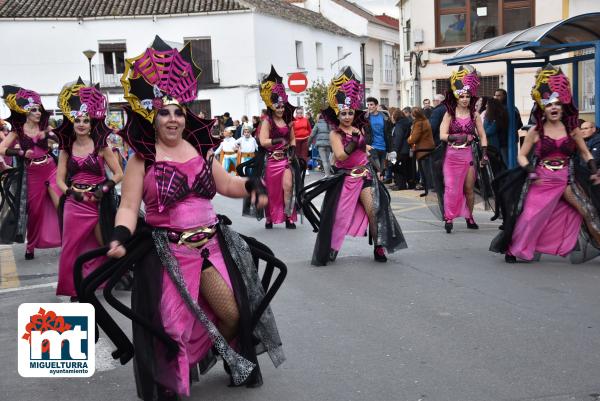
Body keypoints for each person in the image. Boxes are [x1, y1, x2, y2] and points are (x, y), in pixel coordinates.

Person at [104, 36, 284, 399]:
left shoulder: (200, 150)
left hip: (211, 248)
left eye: (178, 111)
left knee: (234, 315)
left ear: (185, 113)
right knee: (172, 327)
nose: (172, 119)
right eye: (164, 112)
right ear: (152, 117)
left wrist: (251, 184)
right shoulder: (142, 159)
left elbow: (227, 183)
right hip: (168, 255)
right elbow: (128, 205)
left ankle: (212, 352)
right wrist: (120, 235)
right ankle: (175, 377)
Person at [490, 64, 600, 264]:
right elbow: (522, 156)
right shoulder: (536, 131)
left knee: (588, 211)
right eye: (549, 104)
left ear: (563, 105)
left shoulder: (572, 129)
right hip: (541, 180)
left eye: (557, 103)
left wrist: (593, 169)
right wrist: (530, 169)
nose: (554, 107)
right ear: (543, 107)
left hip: (567, 180)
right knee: (530, 218)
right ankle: (515, 249)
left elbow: (584, 152)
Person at [299, 66, 407, 265]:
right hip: (345, 179)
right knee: (339, 217)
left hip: (365, 176)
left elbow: (364, 149)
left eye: (350, 112)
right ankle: (332, 248)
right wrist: (354, 142)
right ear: (337, 115)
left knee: (374, 210)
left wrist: (373, 158)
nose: (347, 116)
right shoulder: (334, 134)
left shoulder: (359, 129)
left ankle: (379, 247)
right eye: (343, 113)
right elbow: (339, 155)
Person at [53, 79, 123, 300]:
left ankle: (107, 277)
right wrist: (69, 193)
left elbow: (120, 173)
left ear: (91, 124)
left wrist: (105, 188)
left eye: (85, 120)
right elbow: (59, 180)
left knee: (104, 243)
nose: (81, 124)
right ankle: (73, 287)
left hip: (98, 202)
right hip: (75, 203)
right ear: (72, 124)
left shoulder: (102, 148)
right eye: (77, 120)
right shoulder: (66, 149)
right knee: (71, 246)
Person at [0, 86, 62, 258]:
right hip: (33, 173)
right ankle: (31, 246)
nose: (38, 113)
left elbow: (62, 141)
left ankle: (69, 240)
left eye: (39, 110)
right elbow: (2, 149)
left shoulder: (45, 128)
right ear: (26, 112)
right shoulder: (17, 132)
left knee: (62, 205)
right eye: (34, 110)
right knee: (34, 211)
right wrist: (20, 153)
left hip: (50, 168)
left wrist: (53, 137)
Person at [431, 65, 489, 233]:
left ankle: (469, 217)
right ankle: (449, 218)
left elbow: (483, 135)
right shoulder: (449, 113)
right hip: (451, 155)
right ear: (456, 97)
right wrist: (454, 137)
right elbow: (442, 134)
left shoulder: (474, 115)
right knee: (451, 188)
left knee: (469, 189)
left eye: (467, 96)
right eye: (461, 96)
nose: (464, 99)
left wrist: (485, 153)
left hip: (468, 155)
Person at [257, 66, 301, 229]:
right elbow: (263, 141)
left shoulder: (287, 121)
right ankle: (270, 217)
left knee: (288, 187)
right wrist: (277, 142)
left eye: (282, 106)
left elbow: (292, 138)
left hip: (285, 160)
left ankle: (289, 216)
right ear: (272, 106)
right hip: (270, 161)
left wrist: (292, 149)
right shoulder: (267, 121)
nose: (281, 109)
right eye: (278, 106)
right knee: (271, 191)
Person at [408, 107, 435, 197]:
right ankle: (428, 190)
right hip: (428, 148)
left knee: (425, 172)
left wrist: (409, 139)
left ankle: (429, 190)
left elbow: (414, 138)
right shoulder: (426, 121)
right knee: (427, 171)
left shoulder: (418, 123)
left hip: (422, 150)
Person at [364, 97, 393, 180]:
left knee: (382, 172)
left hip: (383, 147)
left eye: (371, 104)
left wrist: (391, 149)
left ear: (376, 105)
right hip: (372, 147)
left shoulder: (384, 117)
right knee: (377, 169)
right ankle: (375, 190)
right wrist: (366, 145)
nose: (369, 107)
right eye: (368, 105)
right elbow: (362, 133)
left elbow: (389, 134)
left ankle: (378, 190)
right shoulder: (365, 118)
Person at [494, 88, 523, 165]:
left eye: (499, 96)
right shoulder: (511, 108)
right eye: (495, 96)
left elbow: (519, 124)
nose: (496, 98)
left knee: (509, 163)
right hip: (502, 140)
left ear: (505, 96)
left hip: (507, 141)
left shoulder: (511, 108)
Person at [390, 108, 412, 190]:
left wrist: (395, 150)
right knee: (405, 168)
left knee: (397, 168)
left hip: (400, 150)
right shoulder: (407, 123)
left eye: (392, 116)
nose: (391, 118)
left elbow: (398, 138)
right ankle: (407, 184)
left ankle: (400, 185)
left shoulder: (399, 125)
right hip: (406, 149)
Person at [292, 107, 311, 174]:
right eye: (298, 113)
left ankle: (306, 169)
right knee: (297, 155)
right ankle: (297, 169)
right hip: (296, 140)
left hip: (305, 139)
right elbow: (291, 131)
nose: (300, 114)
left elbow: (309, 129)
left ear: (302, 113)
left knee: (304, 155)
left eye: (301, 112)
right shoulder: (293, 120)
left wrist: (309, 137)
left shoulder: (306, 120)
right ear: (296, 113)